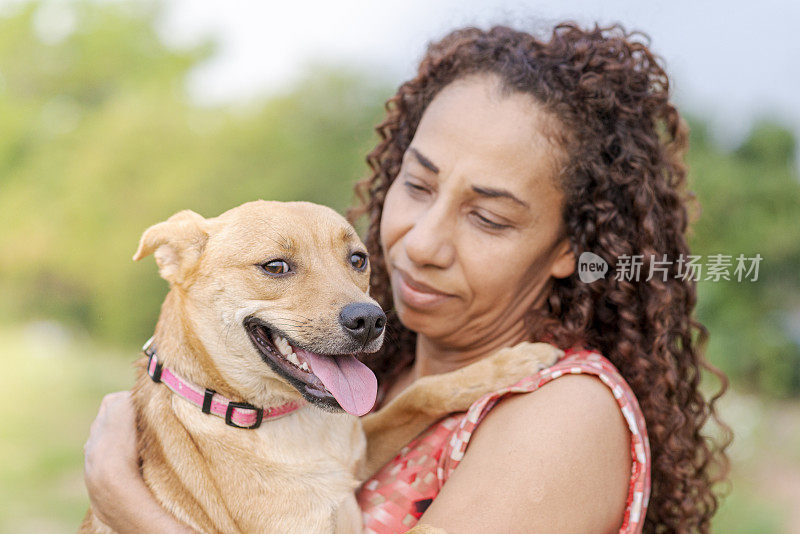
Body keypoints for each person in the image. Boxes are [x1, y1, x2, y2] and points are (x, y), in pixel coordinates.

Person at [83, 22, 731, 533]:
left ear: (568, 246)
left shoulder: (564, 414)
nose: (421, 244)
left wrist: (133, 512)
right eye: (416, 184)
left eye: (488, 217)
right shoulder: (354, 371)